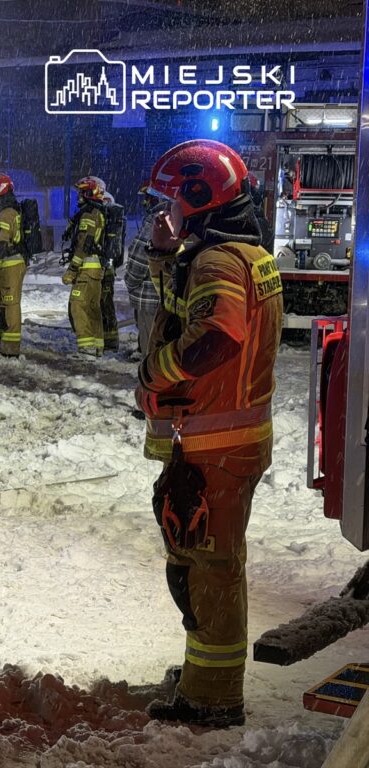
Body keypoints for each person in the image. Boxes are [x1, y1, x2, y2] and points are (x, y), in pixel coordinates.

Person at [138, 139, 282, 728]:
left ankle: (214, 698)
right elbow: (186, 305)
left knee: (212, 568)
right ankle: (204, 676)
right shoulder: (240, 253)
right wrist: (162, 252)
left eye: (172, 202)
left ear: (198, 200)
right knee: (204, 559)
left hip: (216, 443)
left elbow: (218, 336)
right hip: (226, 438)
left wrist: (158, 371)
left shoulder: (218, 263)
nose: (165, 213)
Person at [0, 173, 27, 357]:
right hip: (10, 263)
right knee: (3, 302)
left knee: (9, 304)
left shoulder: (4, 214)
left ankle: (10, 347)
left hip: (9, 264)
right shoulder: (10, 210)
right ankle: (3, 341)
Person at [62, 176, 107, 356]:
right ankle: (97, 347)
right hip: (96, 269)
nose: (79, 195)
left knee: (78, 305)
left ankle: (87, 347)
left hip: (86, 268)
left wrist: (72, 269)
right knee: (92, 307)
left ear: (91, 192)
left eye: (83, 191)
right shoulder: (98, 212)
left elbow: (83, 245)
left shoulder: (89, 214)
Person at [123, 184, 164, 357]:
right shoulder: (179, 218)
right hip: (165, 293)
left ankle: (150, 376)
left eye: (149, 198)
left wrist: (131, 282)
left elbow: (139, 256)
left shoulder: (157, 220)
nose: (146, 202)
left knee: (150, 342)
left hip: (149, 294)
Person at [99, 190, 121, 354]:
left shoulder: (108, 218)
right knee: (104, 303)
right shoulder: (113, 217)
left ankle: (110, 341)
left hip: (105, 267)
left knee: (104, 304)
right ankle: (108, 338)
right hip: (107, 266)